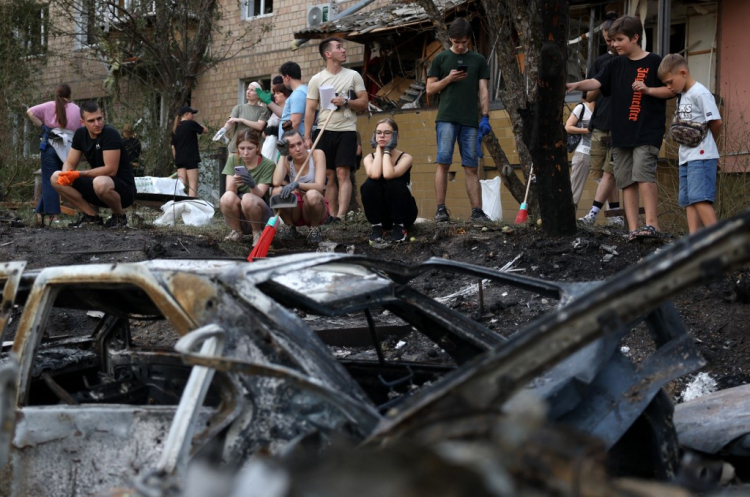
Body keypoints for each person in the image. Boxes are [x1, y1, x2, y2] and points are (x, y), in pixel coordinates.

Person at [566, 15, 673, 241]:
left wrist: (648, 90)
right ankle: (633, 228)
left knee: (644, 177)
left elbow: (671, 90)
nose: (614, 44)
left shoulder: (655, 61)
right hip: (621, 134)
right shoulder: (614, 64)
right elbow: (596, 83)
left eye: (619, 39)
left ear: (635, 38)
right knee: (626, 181)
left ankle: (653, 225)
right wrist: (576, 85)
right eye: (612, 40)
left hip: (646, 132)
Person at [426, 17, 492, 223]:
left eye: (464, 42)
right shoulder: (441, 59)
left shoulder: (478, 60)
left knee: (471, 166)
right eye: (457, 42)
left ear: (469, 39)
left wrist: (485, 117)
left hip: (470, 120)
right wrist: (448, 79)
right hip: (446, 117)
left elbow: (483, 90)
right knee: (443, 162)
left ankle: (477, 211)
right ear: (450, 39)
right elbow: (429, 89)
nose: (461, 46)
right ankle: (441, 209)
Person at [304, 37, 368, 224]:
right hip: (323, 130)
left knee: (343, 173)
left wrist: (346, 102)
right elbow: (310, 109)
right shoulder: (317, 79)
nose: (344, 50)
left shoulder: (353, 75)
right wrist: (307, 136)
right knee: (329, 175)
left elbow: (364, 103)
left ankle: (341, 215)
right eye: (339, 47)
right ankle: (331, 216)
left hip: (347, 130)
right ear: (328, 54)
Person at [658, 54, 722, 234]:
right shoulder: (682, 95)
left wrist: (712, 148)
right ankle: (694, 241)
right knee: (688, 200)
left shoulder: (700, 93)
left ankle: (719, 240)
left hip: (701, 155)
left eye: (670, 82)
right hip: (685, 156)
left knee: (700, 199)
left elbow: (716, 122)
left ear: (683, 73)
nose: (669, 87)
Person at [51, 101, 136, 228]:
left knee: (100, 182)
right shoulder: (80, 134)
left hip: (122, 191)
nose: (97, 124)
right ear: (82, 122)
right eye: (91, 121)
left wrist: (78, 174)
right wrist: (66, 174)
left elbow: (110, 170)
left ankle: (120, 217)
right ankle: (91, 216)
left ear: (103, 116)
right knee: (56, 177)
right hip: (97, 187)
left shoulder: (110, 134)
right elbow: (70, 162)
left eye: (99, 119)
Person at [578, 12, 623, 227]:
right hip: (599, 122)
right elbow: (588, 97)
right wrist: (597, 84)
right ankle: (615, 214)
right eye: (607, 40)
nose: (611, 44)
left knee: (611, 172)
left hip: (621, 125)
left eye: (614, 39)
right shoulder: (600, 61)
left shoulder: (629, 60)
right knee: (600, 174)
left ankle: (609, 214)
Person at [26, 84, 82, 225]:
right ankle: (46, 213)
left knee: (49, 180)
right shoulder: (76, 109)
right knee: (60, 179)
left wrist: (43, 126)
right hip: (69, 148)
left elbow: (30, 112)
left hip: (51, 143)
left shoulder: (48, 106)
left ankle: (50, 214)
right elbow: (82, 129)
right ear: (69, 95)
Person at [361, 118, 418, 243]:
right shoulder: (369, 158)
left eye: (387, 133)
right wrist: (378, 150)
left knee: (394, 183)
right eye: (378, 132)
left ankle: (400, 228)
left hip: (404, 214)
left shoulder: (406, 157)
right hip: (383, 216)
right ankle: (376, 226)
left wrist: (386, 150)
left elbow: (388, 174)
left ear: (396, 136)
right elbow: (375, 174)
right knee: (369, 184)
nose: (382, 136)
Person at [220, 129, 276, 245]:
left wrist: (252, 184)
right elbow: (229, 192)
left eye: (250, 148)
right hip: (241, 216)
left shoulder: (268, 164)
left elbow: (260, 194)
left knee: (247, 198)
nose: (245, 153)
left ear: (257, 147)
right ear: (237, 148)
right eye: (242, 148)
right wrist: (234, 182)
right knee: (226, 197)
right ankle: (236, 231)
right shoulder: (233, 160)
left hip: (261, 215)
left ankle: (257, 233)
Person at [273, 130, 329, 244]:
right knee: (276, 191)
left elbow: (319, 186)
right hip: (296, 209)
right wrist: (282, 155)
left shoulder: (316, 154)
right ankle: (290, 227)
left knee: (312, 194)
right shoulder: (287, 161)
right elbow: (276, 182)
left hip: (315, 207)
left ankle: (314, 229)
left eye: (299, 143)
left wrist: (298, 184)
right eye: (292, 146)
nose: (298, 149)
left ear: (304, 142)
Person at [220, 81, 271, 160]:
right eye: (248, 89)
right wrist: (223, 130)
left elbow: (260, 126)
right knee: (233, 172)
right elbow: (231, 122)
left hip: (253, 151)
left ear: (258, 95)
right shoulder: (238, 108)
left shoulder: (263, 110)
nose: (248, 92)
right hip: (236, 149)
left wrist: (242, 120)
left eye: (252, 90)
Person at [171, 105, 208, 198]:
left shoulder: (176, 128)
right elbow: (206, 130)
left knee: (181, 184)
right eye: (192, 114)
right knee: (192, 184)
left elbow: (173, 147)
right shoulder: (191, 124)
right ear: (186, 114)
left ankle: (177, 202)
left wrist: (176, 159)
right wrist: (199, 124)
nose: (193, 116)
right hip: (190, 158)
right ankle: (191, 204)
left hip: (179, 159)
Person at [565, 98, 594, 207]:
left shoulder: (602, 108)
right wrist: (586, 130)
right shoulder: (581, 107)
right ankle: (569, 218)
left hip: (599, 152)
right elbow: (568, 127)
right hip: (583, 152)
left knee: (608, 184)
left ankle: (614, 218)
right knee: (575, 189)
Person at [261, 79, 291, 162]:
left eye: (278, 93)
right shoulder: (274, 113)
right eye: (274, 93)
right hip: (269, 148)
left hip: (280, 149)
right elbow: (263, 134)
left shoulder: (288, 111)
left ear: (286, 95)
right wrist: (268, 131)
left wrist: (275, 131)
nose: (275, 96)